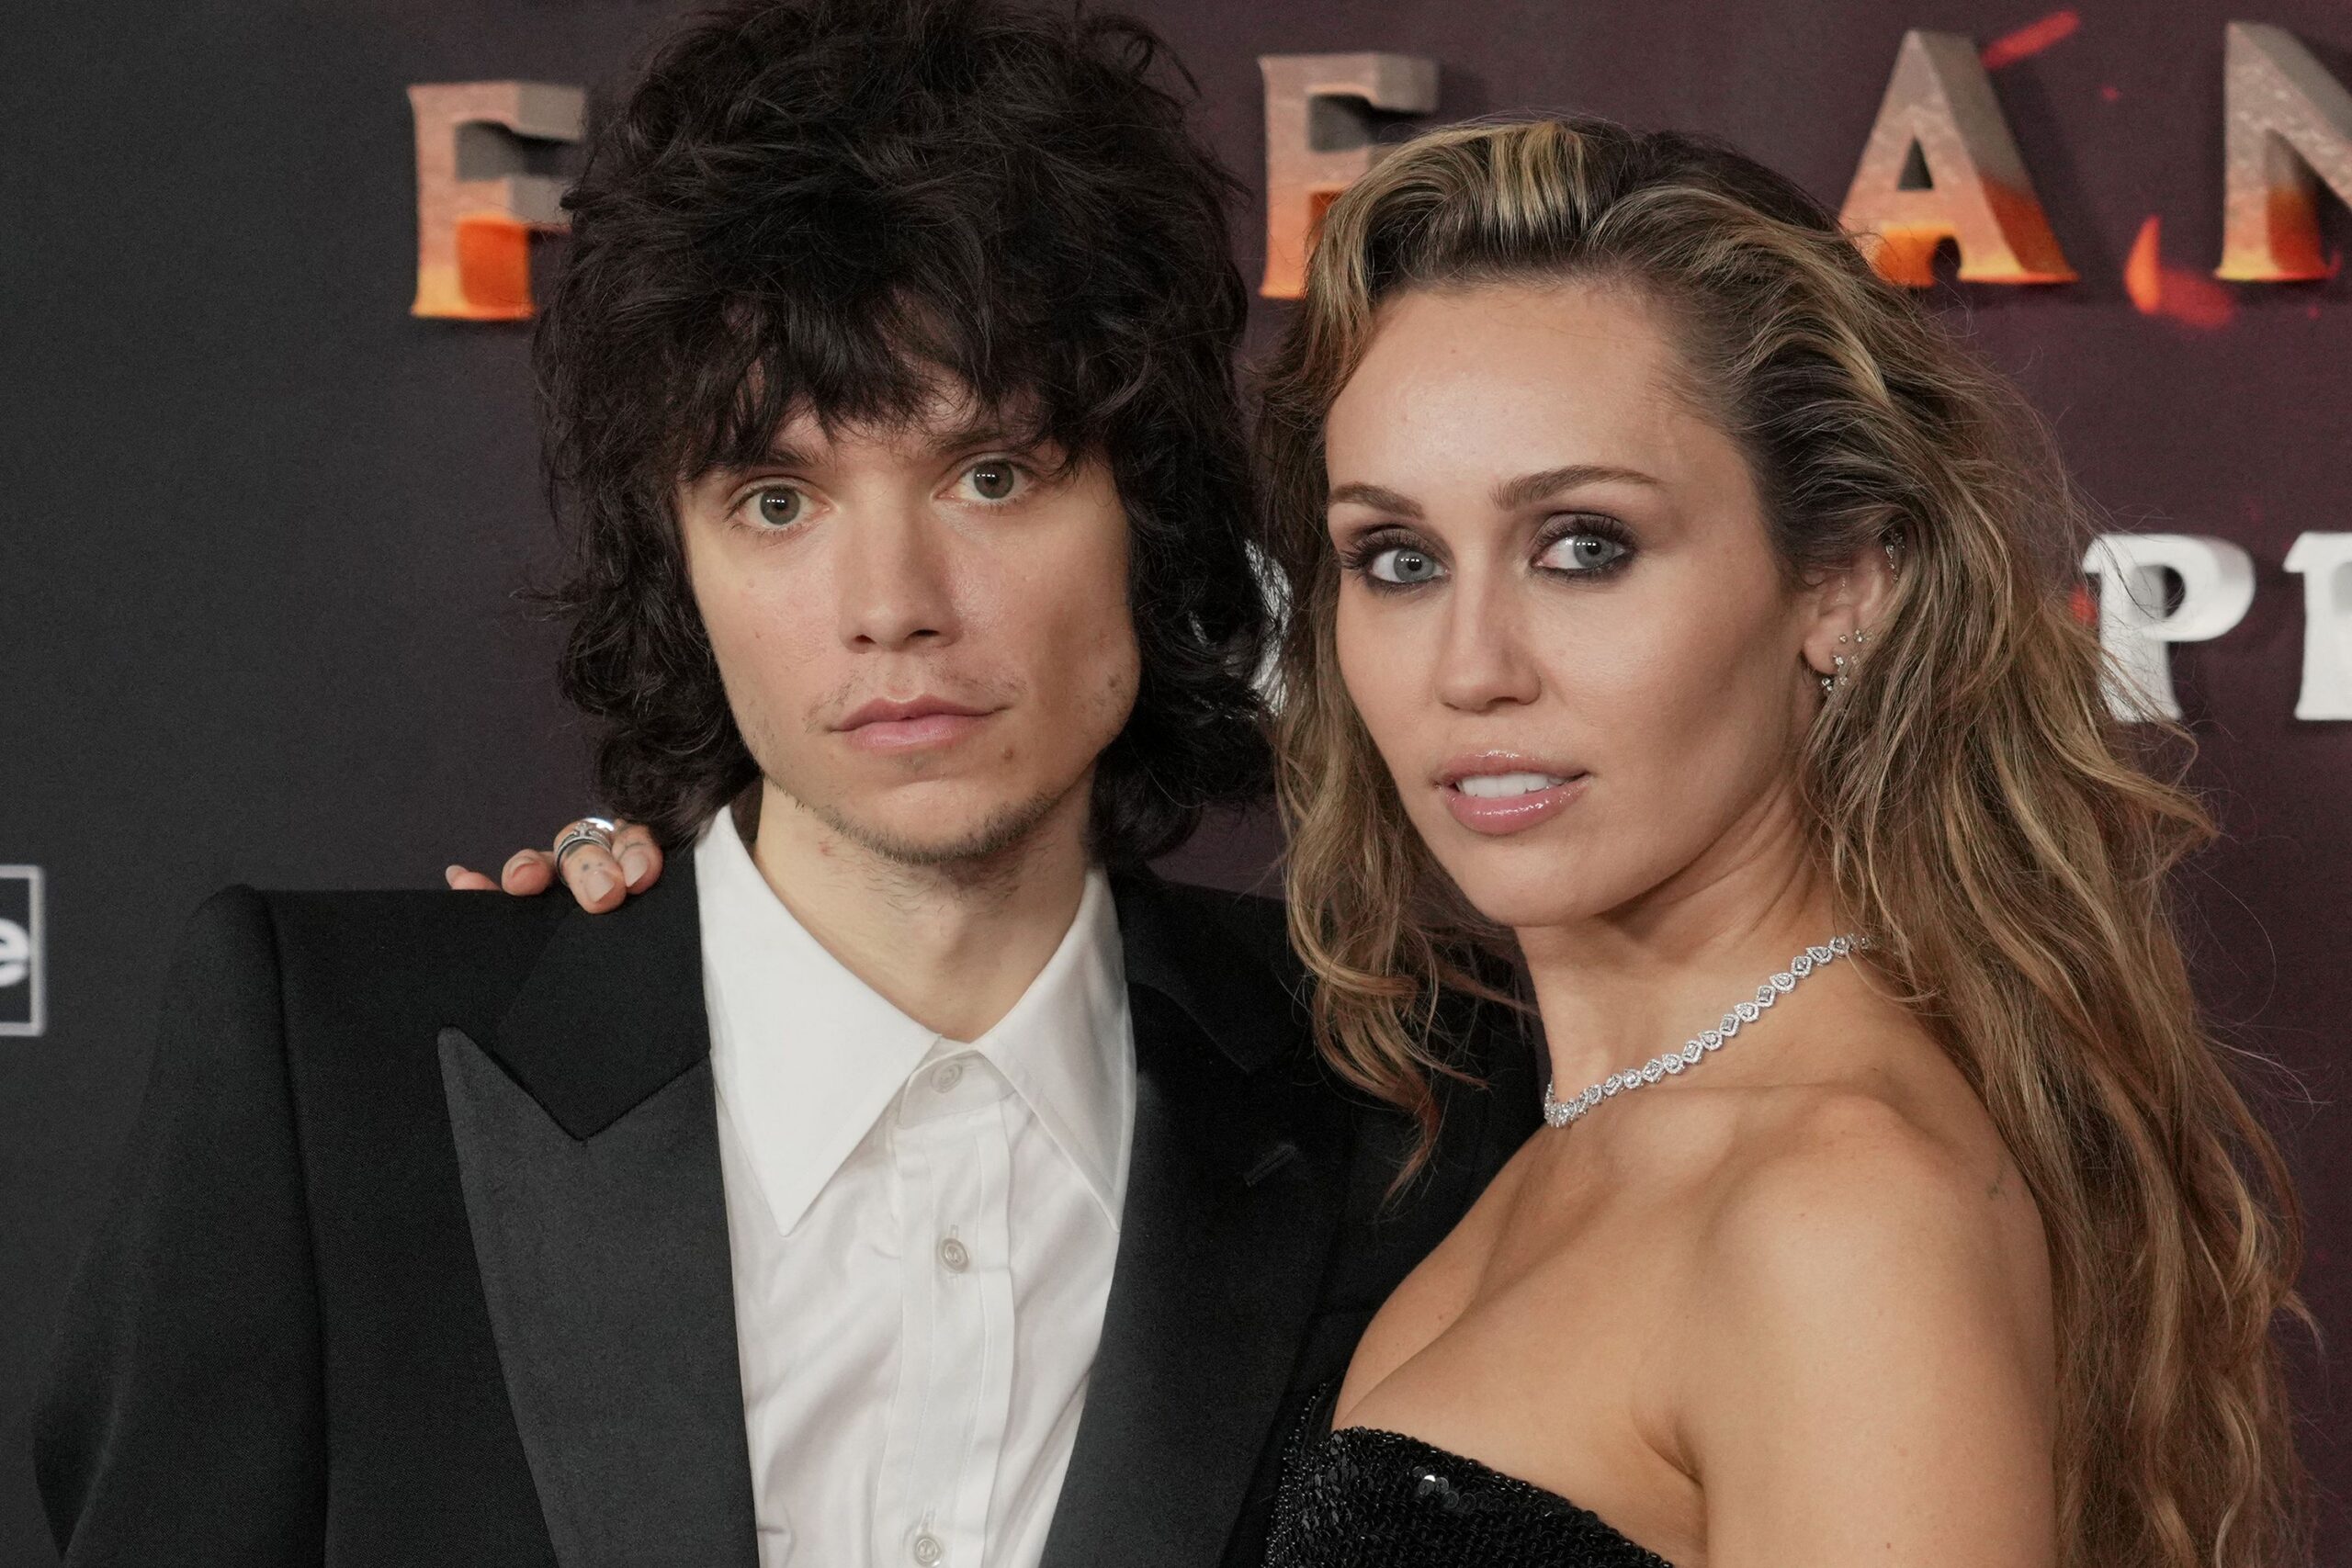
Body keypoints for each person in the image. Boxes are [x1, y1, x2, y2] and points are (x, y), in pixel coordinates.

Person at [507, 118, 2314, 1568]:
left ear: (1839, 580)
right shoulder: (1464, 1128)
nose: (1471, 667)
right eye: (1395, 558)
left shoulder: (1838, 1206)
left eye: (1584, 545)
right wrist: (604, 971)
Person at [30, 6, 1531, 1566]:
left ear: (1147, 513)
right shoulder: (341, 1081)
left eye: (990, 476)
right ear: (676, 567)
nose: (893, 605)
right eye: (776, 499)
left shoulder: (1413, 1098)